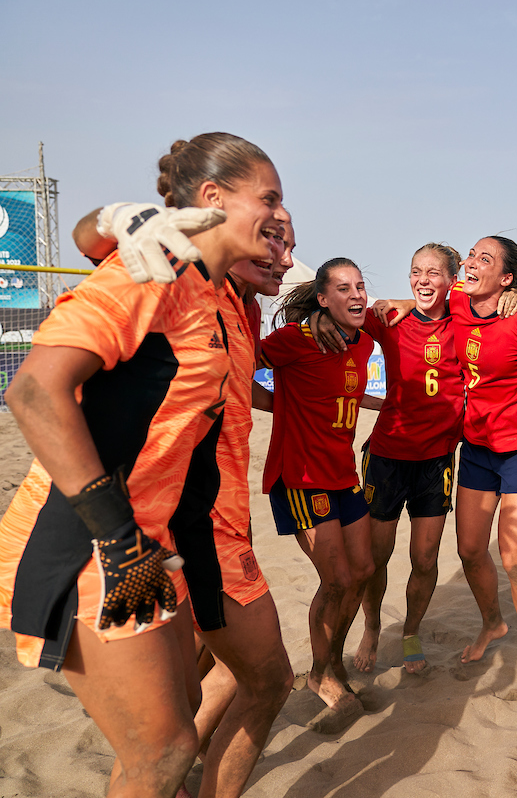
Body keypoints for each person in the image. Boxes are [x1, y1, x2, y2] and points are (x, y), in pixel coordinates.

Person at [0, 131, 287, 798]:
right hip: (91, 541)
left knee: (180, 733)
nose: (278, 218)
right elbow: (34, 392)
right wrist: (118, 538)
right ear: (213, 197)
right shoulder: (151, 269)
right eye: (269, 198)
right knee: (162, 752)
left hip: (155, 540)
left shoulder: (217, 294)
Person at [71, 205, 297, 798]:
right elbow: (88, 237)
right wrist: (128, 216)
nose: (286, 257)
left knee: (223, 696)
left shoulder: (240, 309)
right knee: (163, 744)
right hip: (147, 532)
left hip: (209, 528)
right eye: (273, 238)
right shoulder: (170, 273)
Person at [376, 237, 517, 700]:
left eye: (483, 260)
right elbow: (418, 297)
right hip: (476, 446)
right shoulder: (455, 301)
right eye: (470, 256)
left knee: (514, 558)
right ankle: (493, 623)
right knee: (471, 550)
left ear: (506, 279)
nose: (470, 263)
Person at [261, 257, 382, 716]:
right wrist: (281, 406)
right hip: (300, 476)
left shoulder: (364, 339)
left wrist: (387, 405)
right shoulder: (297, 337)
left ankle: (329, 662)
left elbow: (340, 392)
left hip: (342, 474)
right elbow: (239, 363)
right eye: (343, 289)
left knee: (364, 570)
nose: (355, 295)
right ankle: (321, 671)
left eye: (360, 286)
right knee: (337, 579)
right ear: (324, 299)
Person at [353, 243, 466, 675]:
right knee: (376, 558)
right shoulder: (391, 321)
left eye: (434, 273)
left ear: (451, 281)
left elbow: (486, 297)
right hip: (386, 456)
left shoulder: (466, 322)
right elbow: (338, 314)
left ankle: (411, 631)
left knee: (425, 558)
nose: (422, 280)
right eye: (416, 271)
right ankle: (372, 626)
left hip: (436, 461)